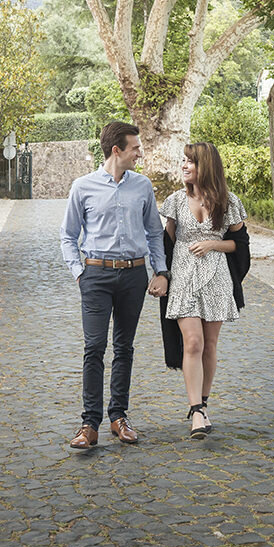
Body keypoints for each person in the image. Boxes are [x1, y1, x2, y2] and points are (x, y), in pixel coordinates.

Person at [59, 121, 169, 449]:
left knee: (124, 348)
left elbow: (153, 233)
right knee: (94, 347)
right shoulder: (83, 187)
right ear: (116, 150)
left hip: (134, 276)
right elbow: (68, 235)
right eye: (135, 148)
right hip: (96, 276)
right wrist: (80, 272)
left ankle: (118, 416)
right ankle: (89, 424)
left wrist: (160, 271)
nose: (141, 153)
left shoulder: (143, 186)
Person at [158, 142, 249, 439]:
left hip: (216, 276)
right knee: (193, 342)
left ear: (205, 166)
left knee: (210, 344)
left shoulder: (228, 201)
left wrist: (212, 244)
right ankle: (195, 409)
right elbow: (165, 243)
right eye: (183, 161)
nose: (184, 166)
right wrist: (161, 275)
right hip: (183, 276)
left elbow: (241, 245)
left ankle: (204, 404)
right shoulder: (173, 201)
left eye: (190, 162)